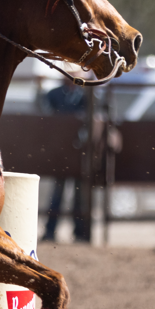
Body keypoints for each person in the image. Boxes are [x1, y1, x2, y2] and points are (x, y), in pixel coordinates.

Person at [40, 78, 90, 243]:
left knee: (79, 194)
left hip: (80, 153)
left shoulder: (86, 95)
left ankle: (80, 232)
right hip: (60, 151)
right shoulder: (54, 94)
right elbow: (45, 115)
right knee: (57, 192)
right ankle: (50, 231)